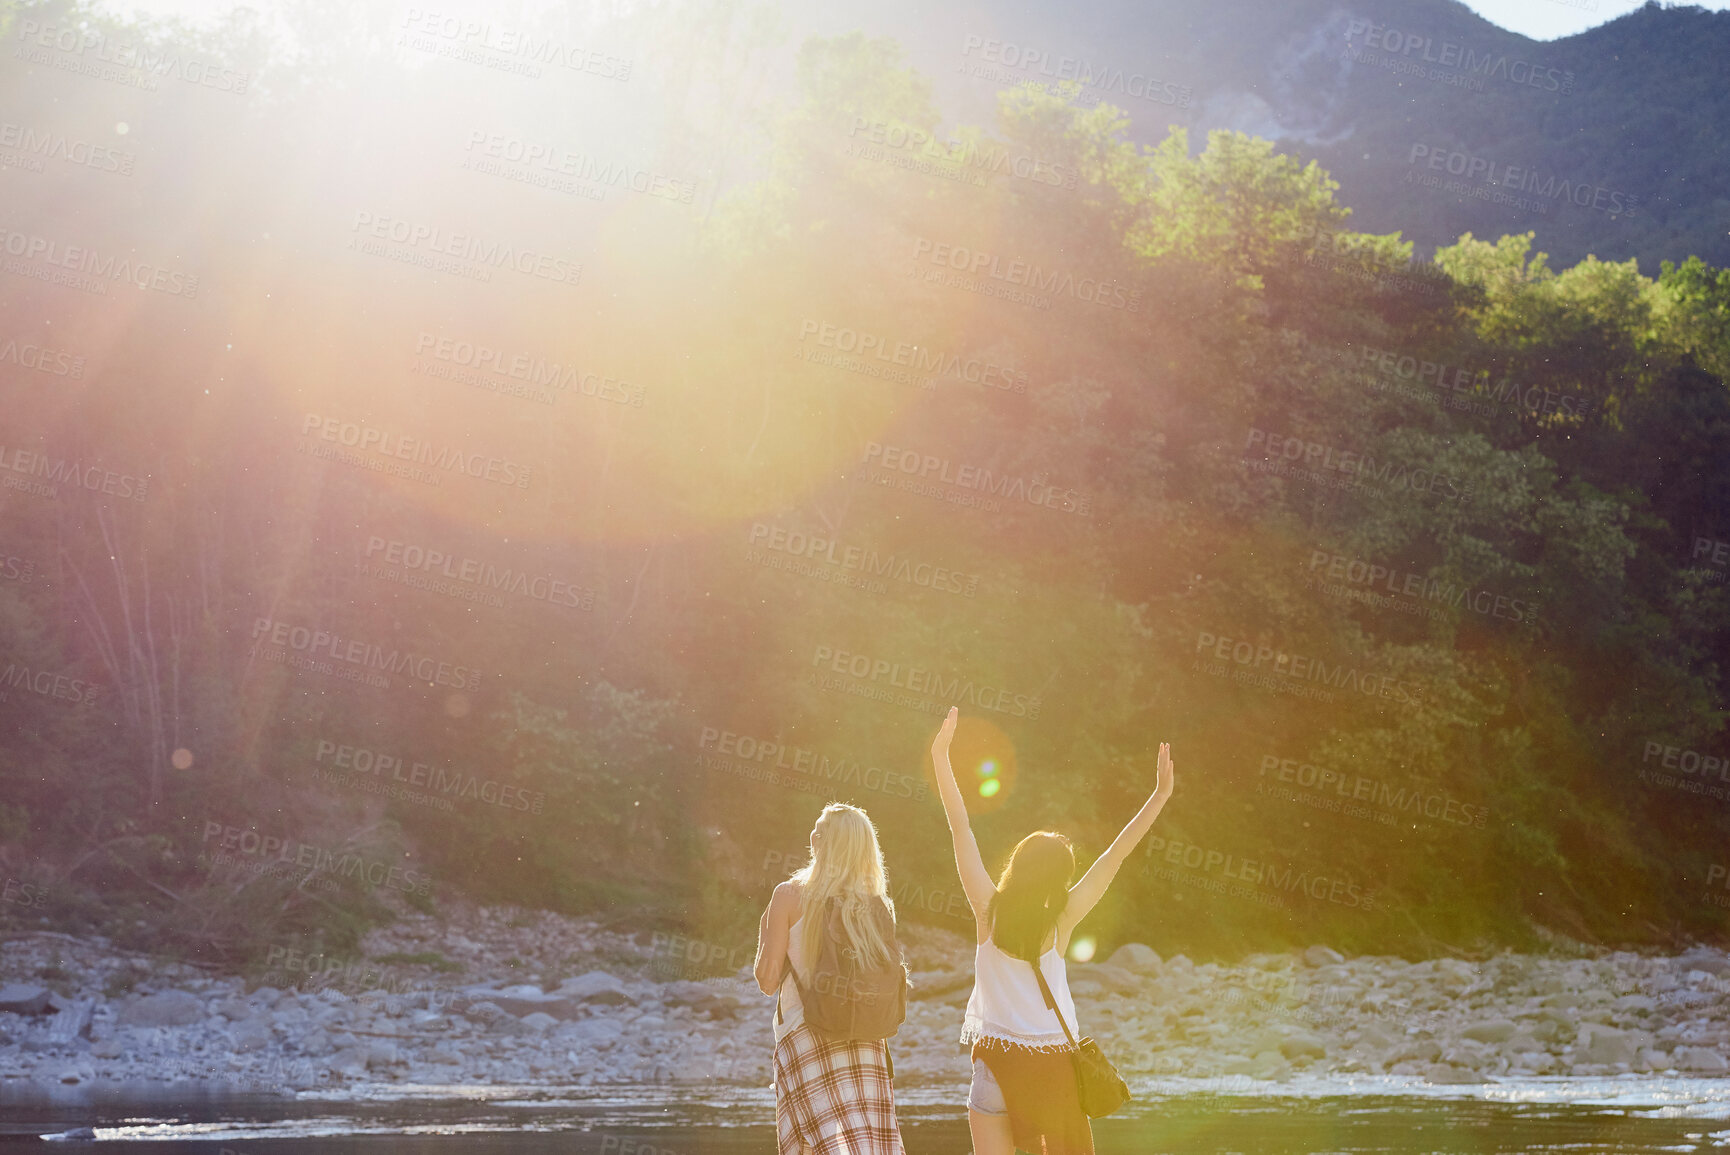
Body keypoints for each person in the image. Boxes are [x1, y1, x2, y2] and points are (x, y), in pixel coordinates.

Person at [930, 706, 1175, 1155]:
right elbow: (1114, 857)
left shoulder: (988, 909)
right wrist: (1158, 796)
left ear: (1017, 867)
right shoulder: (1061, 922)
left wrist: (941, 756)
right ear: (1058, 880)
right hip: (1052, 1073)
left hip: (996, 1069)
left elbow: (959, 827)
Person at [754, 802, 907, 1155]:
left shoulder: (789, 895)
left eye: (818, 831)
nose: (812, 836)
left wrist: (767, 926)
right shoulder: (877, 905)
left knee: (823, 1145)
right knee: (869, 1145)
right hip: (868, 1038)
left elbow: (767, 980)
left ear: (822, 843)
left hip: (806, 1033)